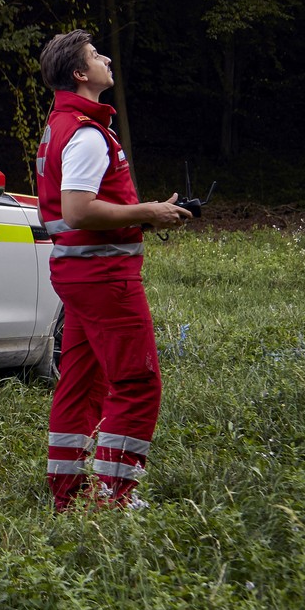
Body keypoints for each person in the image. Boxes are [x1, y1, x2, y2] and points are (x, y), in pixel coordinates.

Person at [35, 30, 192, 512]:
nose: (106, 59)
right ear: (81, 74)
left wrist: (145, 210)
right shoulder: (85, 132)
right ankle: (115, 498)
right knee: (136, 383)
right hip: (104, 277)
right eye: (96, 56)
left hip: (79, 274)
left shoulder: (63, 123)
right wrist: (148, 212)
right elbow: (79, 210)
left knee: (81, 383)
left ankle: (67, 494)